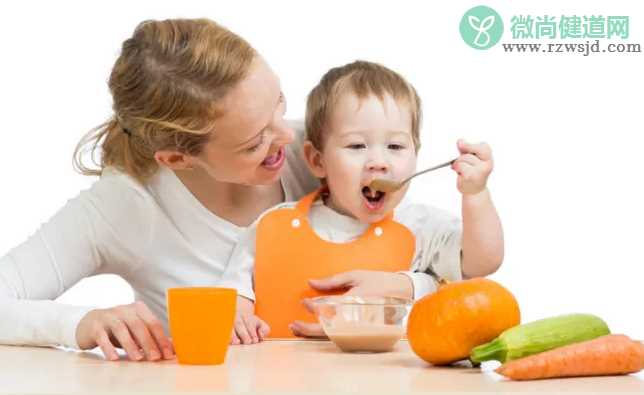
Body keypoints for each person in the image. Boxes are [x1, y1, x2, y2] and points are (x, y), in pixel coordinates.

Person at [0, 18, 321, 362]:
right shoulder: (127, 205)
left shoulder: (323, 154)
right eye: (255, 143)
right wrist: (83, 323)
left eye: (279, 104)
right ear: (177, 159)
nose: (287, 137)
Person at [219, 60, 504, 344]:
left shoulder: (421, 225)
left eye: (395, 146)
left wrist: (475, 194)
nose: (378, 162)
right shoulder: (272, 226)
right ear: (317, 161)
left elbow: (482, 263)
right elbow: (234, 294)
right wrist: (238, 312)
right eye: (356, 146)